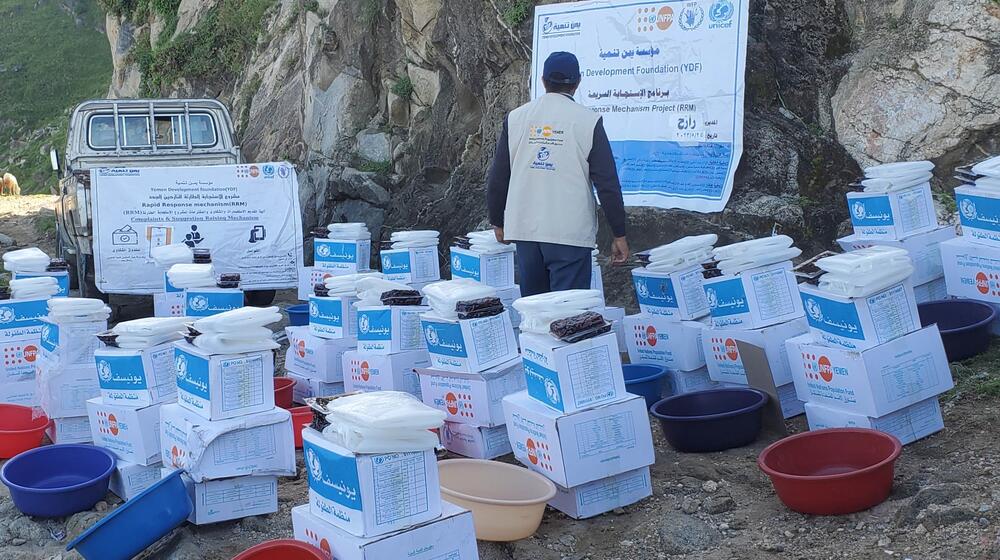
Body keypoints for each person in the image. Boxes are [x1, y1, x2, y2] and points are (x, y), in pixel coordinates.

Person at [486, 51, 629, 297]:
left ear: (542, 81)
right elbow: (607, 185)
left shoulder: (517, 119)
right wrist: (619, 233)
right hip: (569, 236)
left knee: (536, 316)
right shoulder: (588, 122)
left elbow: (499, 177)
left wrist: (498, 221)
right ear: (578, 83)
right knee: (567, 315)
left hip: (526, 232)